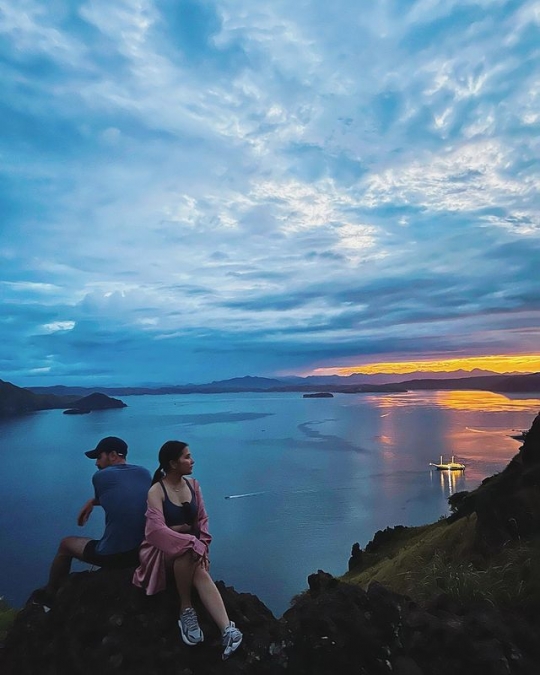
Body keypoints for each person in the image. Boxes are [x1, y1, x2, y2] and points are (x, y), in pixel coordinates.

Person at [133, 440, 243, 660]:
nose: (192, 461)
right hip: (160, 554)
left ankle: (227, 630)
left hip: (192, 552)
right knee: (186, 553)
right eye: (187, 457)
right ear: (173, 463)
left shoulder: (193, 485)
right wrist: (191, 542)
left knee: (196, 567)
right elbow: (155, 531)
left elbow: (202, 519)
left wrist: (200, 544)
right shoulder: (157, 491)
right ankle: (186, 608)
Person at [40, 436, 152, 603]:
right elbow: (124, 497)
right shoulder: (144, 473)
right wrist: (92, 502)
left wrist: (93, 500)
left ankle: (49, 596)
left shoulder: (101, 477)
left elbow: (110, 496)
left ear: (113, 455)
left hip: (118, 555)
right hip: (145, 551)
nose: (96, 464)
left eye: (99, 457)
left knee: (65, 545)